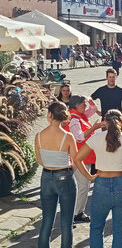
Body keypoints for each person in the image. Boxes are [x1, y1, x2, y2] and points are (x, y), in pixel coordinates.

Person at [74, 109, 122, 248]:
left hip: (101, 183)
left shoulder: (96, 138)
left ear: (104, 122)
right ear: (121, 122)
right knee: (120, 231)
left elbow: (78, 158)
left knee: (96, 227)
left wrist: (89, 176)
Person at [35, 102, 78, 247]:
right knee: (66, 223)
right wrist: (70, 170)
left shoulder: (39, 136)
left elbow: (39, 160)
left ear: (50, 115)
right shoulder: (68, 136)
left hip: (46, 177)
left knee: (47, 220)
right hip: (64, 175)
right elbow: (76, 160)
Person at [65, 96, 104, 223]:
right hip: (80, 158)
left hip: (84, 157)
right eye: (83, 104)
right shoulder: (74, 120)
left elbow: (92, 110)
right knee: (82, 186)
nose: (85, 106)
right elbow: (79, 138)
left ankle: (78, 212)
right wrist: (93, 128)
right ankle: (75, 214)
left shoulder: (78, 115)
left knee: (84, 185)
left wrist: (91, 103)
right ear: (77, 106)